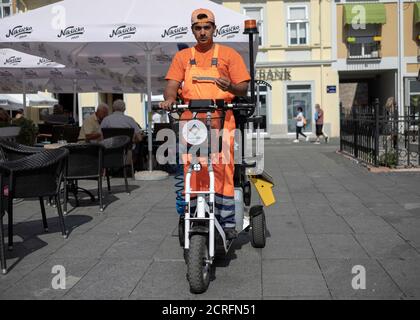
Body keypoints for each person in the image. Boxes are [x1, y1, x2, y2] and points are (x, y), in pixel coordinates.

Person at [160, 8, 251, 240]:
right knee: (192, 169)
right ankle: (193, 214)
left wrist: (229, 86)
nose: (202, 32)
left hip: (222, 119)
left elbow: (243, 88)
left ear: (214, 28)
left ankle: (227, 221)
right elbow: (172, 84)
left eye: (206, 27)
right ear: (192, 30)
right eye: (198, 28)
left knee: (223, 169)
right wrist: (170, 99)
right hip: (191, 122)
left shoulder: (229, 55)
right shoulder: (182, 57)